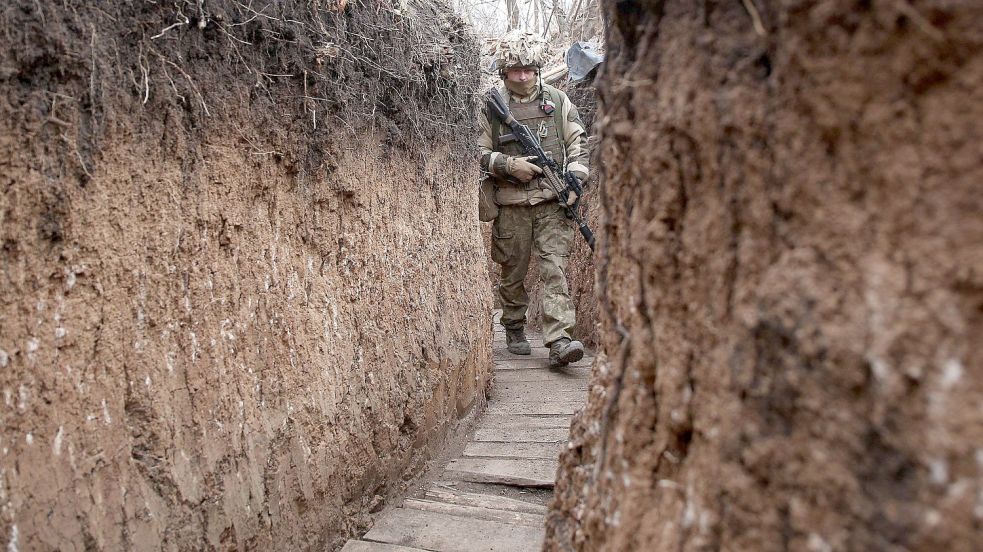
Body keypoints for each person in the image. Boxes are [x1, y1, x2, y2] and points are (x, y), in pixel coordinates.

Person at [479, 31, 589, 368]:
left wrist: (576, 176)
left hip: (552, 203)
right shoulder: (492, 109)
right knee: (513, 271)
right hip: (511, 205)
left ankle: (560, 339)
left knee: (554, 268)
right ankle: (513, 326)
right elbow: (478, 152)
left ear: (537, 69)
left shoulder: (557, 101)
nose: (523, 76)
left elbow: (578, 145)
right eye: (516, 71)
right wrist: (510, 164)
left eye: (529, 70)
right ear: (504, 73)